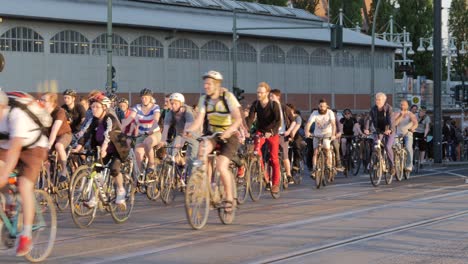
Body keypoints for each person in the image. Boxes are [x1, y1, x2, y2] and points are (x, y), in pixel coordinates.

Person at [0, 91, 49, 256]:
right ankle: (8, 202)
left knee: (24, 186)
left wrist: (4, 175)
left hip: (34, 146)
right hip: (7, 143)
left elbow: (15, 151)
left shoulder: (16, 116)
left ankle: (26, 235)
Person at [185, 70, 242, 211]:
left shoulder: (227, 97)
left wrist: (229, 131)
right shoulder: (204, 100)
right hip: (213, 134)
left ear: (217, 84)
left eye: (209, 84)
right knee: (202, 152)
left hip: (230, 135)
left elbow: (238, 118)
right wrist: (189, 130)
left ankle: (229, 197)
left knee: (221, 165)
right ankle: (209, 188)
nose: (206, 86)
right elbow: (199, 120)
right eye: (205, 84)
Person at [73, 94, 127, 207]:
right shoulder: (93, 120)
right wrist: (78, 147)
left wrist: (104, 148)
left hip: (117, 149)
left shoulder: (109, 119)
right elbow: (85, 132)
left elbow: (108, 133)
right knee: (95, 170)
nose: (94, 109)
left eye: (97, 107)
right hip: (103, 150)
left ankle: (121, 190)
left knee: (114, 169)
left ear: (104, 108)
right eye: (92, 107)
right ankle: (94, 198)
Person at [246, 82, 282, 194]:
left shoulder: (273, 105)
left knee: (274, 158)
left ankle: (275, 184)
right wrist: (246, 130)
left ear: (267, 93)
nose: (258, 94)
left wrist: (271, 132)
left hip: (272, 133)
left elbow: (278, 121)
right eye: (257, 92)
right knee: (256, 152)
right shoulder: (256, 104)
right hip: (260, 131)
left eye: (261, 92)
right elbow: (250, 118)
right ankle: (264, 176)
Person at [157, 93, 198, 180]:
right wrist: (162, 141)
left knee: (192, 158)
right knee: (171, 150)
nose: (173, 105)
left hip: (193, 135)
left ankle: (191, 179)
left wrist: (182, 142)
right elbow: (166, 127)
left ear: (181, 104)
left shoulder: (187, 111)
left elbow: (188, 127)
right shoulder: (170, 113)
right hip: (180, 134)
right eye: (171, 103)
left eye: (176, 103)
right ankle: (179, 167)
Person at [121, 88, 161, 175]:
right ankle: (138, 178)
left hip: (154, 133)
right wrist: (120, 127)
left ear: (150, 98)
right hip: (142, 135)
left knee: (147, 142)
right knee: (137, 156)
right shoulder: (137, 107)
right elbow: (130, 118)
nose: (144, 99)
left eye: (146, 97)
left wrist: (151, 129)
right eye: (142, 97)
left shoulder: (155, 107)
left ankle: (151, 165)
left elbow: (156, 119)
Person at [42, 92, 73, 182]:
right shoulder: (41, 112)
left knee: (58, 146)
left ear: (52, 103)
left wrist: (49, 145)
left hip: (64, 134)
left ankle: (64, 170)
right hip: (48, 136)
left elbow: (54, 130)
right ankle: (47, 181)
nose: (41, 102)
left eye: (44, 100)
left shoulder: (60, 111)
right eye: (41, 100)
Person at [364, 92, 395, 176]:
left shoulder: (388, 108)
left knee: (388, 147)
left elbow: (391, 120)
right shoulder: (373, 109)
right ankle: (375, 162)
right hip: (379, 130)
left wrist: (390, 129)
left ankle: (392, 165)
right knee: (375, 145)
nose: (377, 101)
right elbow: (369, 119)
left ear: (384, 101)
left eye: (379, 99)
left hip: (389, 130)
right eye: (376, 99)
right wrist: (366, 129)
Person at [269, 89, 296, 184]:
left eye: (272, 96)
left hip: (282, 135)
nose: (270, 98)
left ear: (278, 97)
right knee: (270, 156)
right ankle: (269, 179)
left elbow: (293, 121)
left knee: (285, 156)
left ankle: (289, 175)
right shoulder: (268, 107)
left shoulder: (284, 107)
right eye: (269, 96)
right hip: (271, 135)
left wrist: (288, 131)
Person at [304, 99, 336, 178]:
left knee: (326, 149)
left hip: (327, 133)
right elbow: (308, 124)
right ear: (318, 106)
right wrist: (307, 132)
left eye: (324, 106)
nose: (322, 108)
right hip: (317, 135)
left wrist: (333, 134)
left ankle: (328, 165)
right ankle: (314, 170)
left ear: (326, 106)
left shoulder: (330, 112)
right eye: (320, 106)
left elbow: (333, 124)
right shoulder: (314, 113)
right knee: (315, 151)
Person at [393, 100, 418, 172]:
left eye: (404, 105)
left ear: (407, 106)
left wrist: (412, 128)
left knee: (408, 147)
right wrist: (400, 115)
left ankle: (409, 165)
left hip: (408, 133)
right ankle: (396, 163)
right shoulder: (397, 113)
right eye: (401, 105)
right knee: (395, 147)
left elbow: (415, 123)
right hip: (398, 133)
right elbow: (395, 124)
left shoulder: (410, 114)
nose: (402, 106)